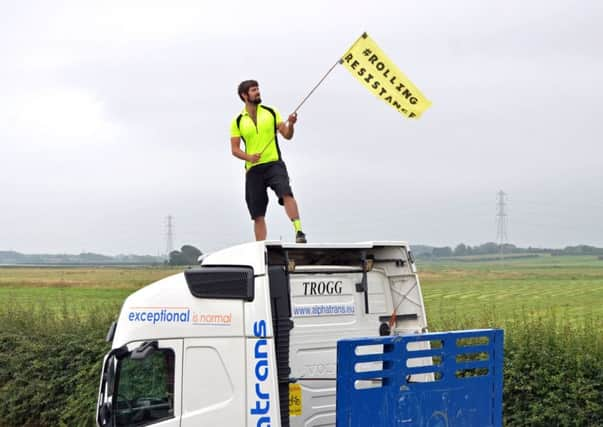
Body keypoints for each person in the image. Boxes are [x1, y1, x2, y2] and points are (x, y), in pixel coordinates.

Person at [230, 80, 307, 243]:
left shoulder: (271, 112)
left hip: (274, 164)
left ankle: (299, 231)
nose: (258, 92)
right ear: (244, 95)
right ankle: (260, 247)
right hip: (253, 169)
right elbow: (235, 150)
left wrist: (291, 124)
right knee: (257, 213)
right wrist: (249, 157)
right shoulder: (237, 121)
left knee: (286, 192)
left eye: (258, 89)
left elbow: (287, 135)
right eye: (253, 90)